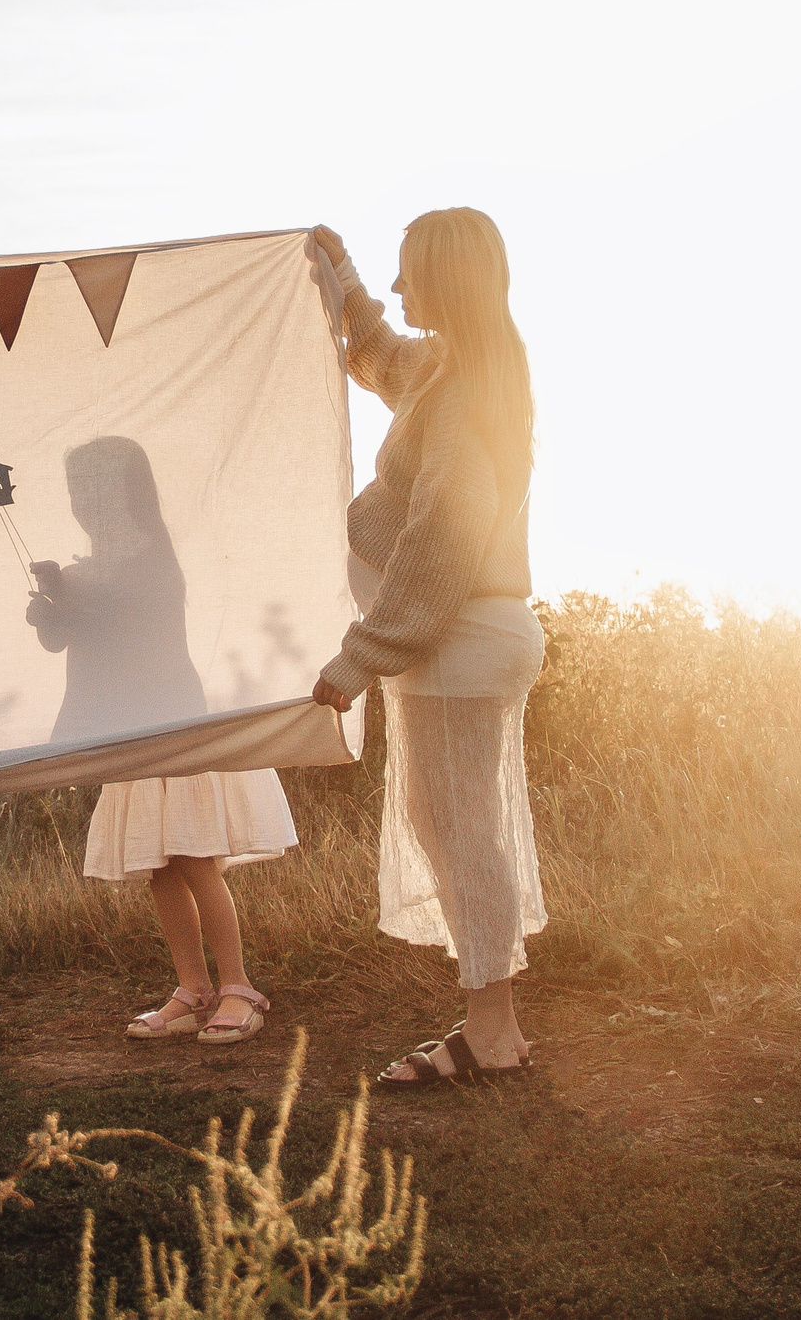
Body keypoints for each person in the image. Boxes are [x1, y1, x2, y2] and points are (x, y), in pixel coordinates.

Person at [311, 212, 548, 1088]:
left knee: (461, 827)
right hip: (461, 637)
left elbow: (443, 535)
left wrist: (362, 653)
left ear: (448, 280)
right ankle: (492, 1022)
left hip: (462, 633)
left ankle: (493, 1031)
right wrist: (340, 273)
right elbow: (378, 355)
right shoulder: (448, 370)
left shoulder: (466, 390)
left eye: (411, 273)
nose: (400, 288)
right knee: (449, 821)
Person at [32, 436, 294, 1046]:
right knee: (159, 866)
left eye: (96, 487)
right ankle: (193, 988)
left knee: (197, 858)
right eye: (76, 490)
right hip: (128, 731)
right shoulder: (83, 572)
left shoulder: (154, 558)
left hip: (174, 725)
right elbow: (63, 640)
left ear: (130, 492)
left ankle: (238, 986)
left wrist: (68, 596)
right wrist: (52, 609)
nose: (85, 502)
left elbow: (127, 621)